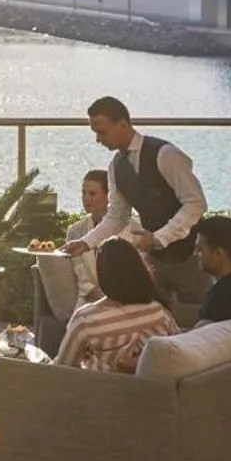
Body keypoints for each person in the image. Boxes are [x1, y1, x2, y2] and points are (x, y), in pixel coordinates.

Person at [66, 96, 209, 306]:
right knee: (155, 324)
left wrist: (159, 238)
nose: (98, 140)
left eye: (102, 132)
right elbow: (117, 217)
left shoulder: (165, 154)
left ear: (122, 124)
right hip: (153, 263)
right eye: (95, 133)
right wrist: (86, 242)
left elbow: (196, 203)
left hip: (190, 259)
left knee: (198, 326)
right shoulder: (116, 167)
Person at [54, 239, 179, 372]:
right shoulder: (159, 311)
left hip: (102, 389)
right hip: (151, 389)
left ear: (102, 274)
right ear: (139, 269)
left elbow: (63, 369)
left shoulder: (86, 319)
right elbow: (177, 351)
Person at [64, 169, 144, 305]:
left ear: (110, 196)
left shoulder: (133, 228)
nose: (86, 199)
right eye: (83, 193)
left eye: (92, 194)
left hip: (127, 298)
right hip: (89, 299)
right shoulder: (75, 231)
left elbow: (138, 271)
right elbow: (82, 277)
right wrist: (100, 297)